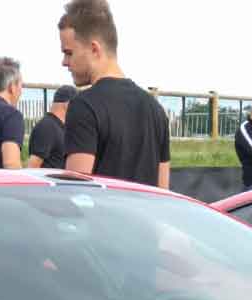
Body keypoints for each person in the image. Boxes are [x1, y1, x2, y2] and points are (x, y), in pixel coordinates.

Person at [57, 0, 171, 187]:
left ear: (94, 49)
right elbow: (164, 193)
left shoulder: (84, 106)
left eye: (69, 53)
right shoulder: (155, 109)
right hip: (144, 216)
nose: (64, 61)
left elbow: (76, 190)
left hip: (101, 216)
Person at [26, 84, 75, 169]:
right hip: (51, 182)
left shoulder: (59, 126)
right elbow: (33, 166)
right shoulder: (47, 127)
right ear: (68, 104)